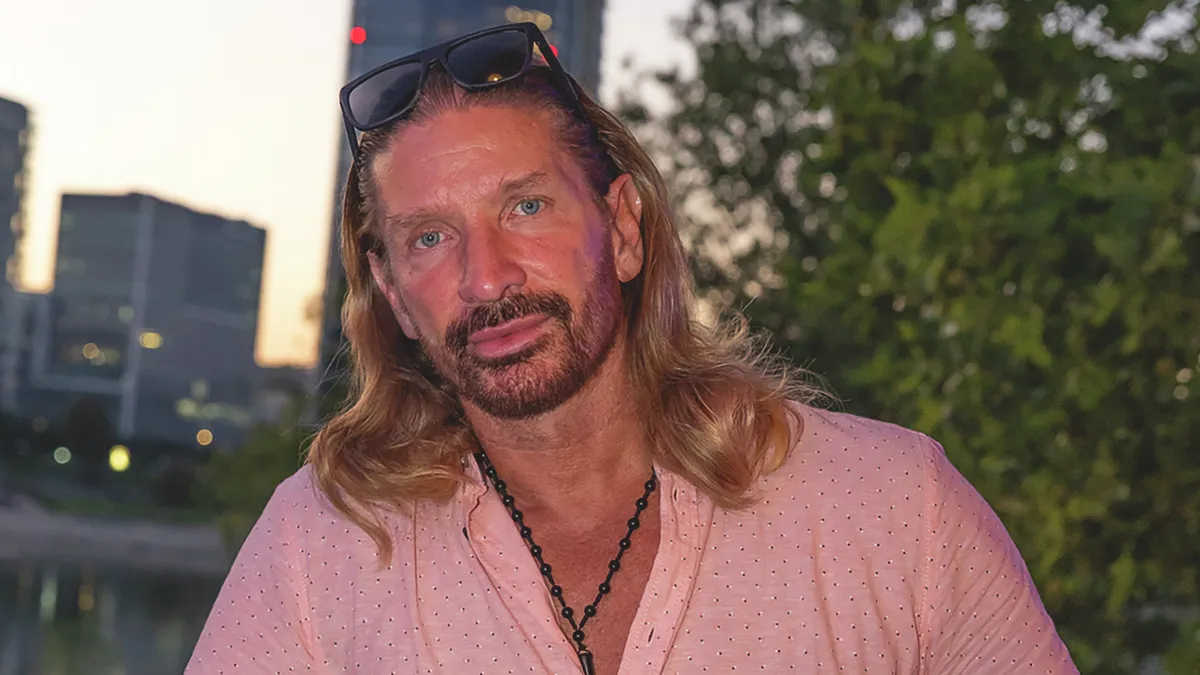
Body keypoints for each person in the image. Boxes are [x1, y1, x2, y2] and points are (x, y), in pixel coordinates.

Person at [186, 22, 1079, 675]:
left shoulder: (896, 511)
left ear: (621, 229)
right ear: (394, 297)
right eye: (429, 237)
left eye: (526, 206)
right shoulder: (321, 542)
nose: (486, 277)